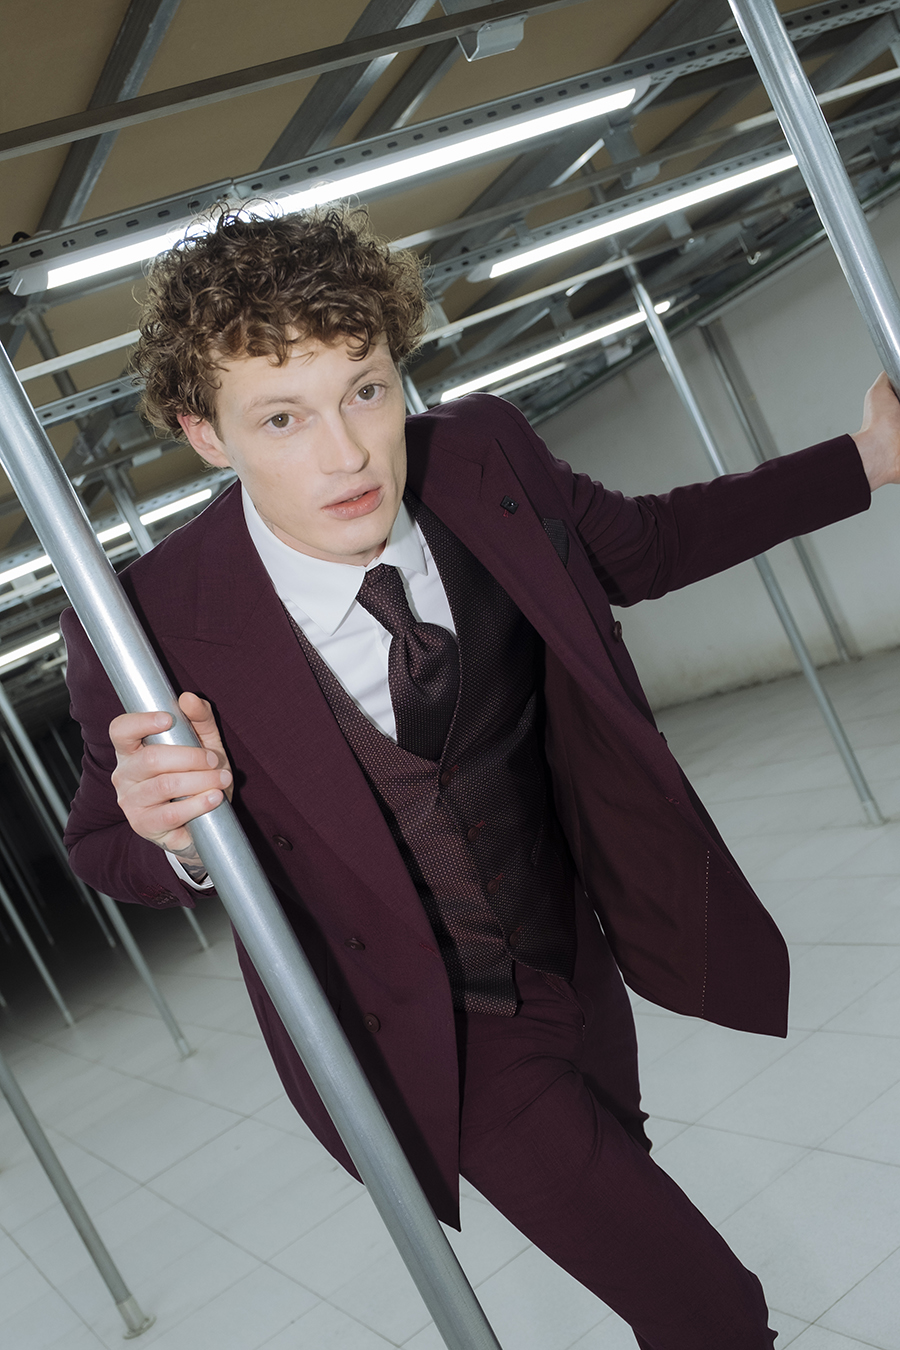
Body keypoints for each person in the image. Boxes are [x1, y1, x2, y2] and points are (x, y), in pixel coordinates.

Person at [61, 206, 900, 1349]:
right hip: (435, 1035)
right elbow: (101, 847)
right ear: (206, 433)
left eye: (366, 390)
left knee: (631, 1186)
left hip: (573, 950)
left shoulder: (483, 459)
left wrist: (867, 460)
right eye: (282, 418)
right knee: (712, 1308)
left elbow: (648, 546)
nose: (348, 454)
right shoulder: (145, 623)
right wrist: (170, 834)